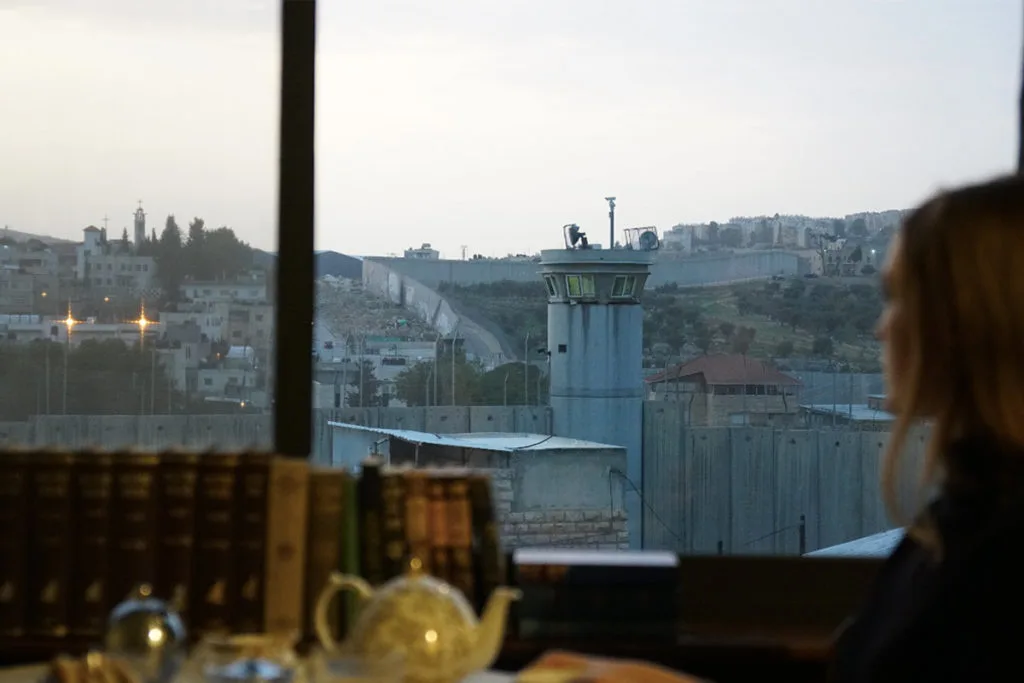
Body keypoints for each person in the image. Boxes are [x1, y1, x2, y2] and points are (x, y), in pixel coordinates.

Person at [831, 174, 1024, 683]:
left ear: (969, 321)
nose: (882, 328)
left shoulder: (995, 559)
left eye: (898, 297)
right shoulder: (967, 514)